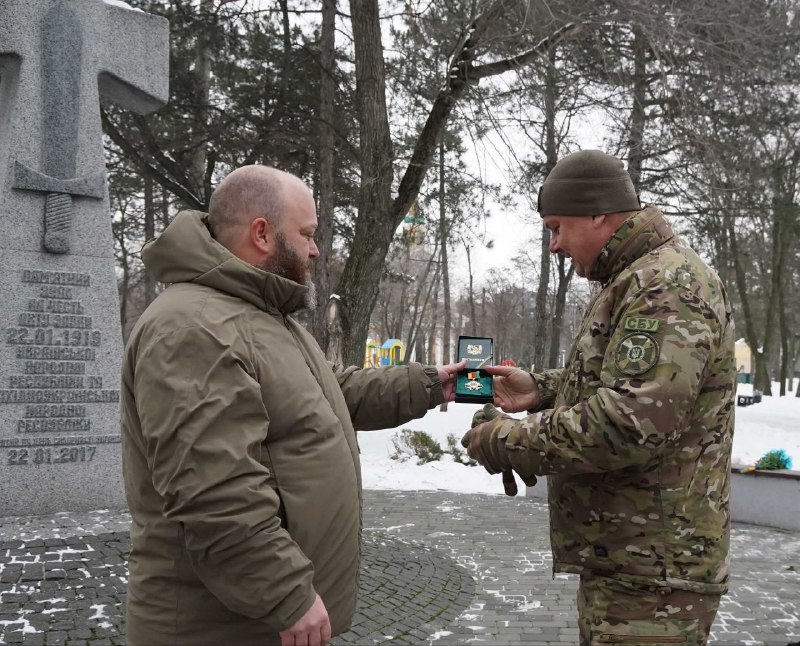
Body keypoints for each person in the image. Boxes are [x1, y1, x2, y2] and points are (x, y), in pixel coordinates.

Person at [120, 165, 464, 646]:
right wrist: (285, 593)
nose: (316, 249)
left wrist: (427, 385)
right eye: (307, 233)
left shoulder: (260, 318)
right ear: (262, 233)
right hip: (219, 626)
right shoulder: (194, 328)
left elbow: (328, 393)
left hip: (254, 618)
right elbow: (215, 490)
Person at [461, 149, 736, 645]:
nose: (554, 245)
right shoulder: (633, 280)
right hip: (633, 562)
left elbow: (629, 423)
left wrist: (506, 439)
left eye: (557, 227)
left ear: (597, 213)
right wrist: (543, 389)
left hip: (656, 576)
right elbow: (627, 387)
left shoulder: (666, 284)